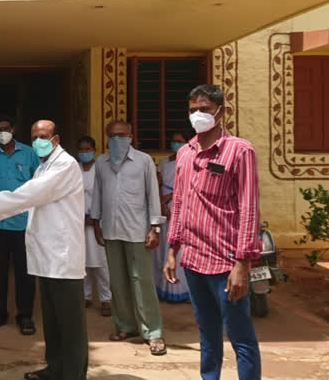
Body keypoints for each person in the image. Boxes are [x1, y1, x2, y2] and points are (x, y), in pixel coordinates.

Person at [0, 120, 88, 380]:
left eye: (44, 136)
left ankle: (73, 374)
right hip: (47, 255)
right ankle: (55, 368)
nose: (39, 140)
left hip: (62, 256)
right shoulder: (44, 167)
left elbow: (26, 195)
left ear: (56, 139)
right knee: (52, 321)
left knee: (69, 323)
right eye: (34, 136)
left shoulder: (64, 165)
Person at [164, 84, 262, 380]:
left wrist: (242, 263)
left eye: (205, 109)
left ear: (221, 112)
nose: (198, 115)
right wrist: (172, 249)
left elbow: (249, 208)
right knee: (207, 332)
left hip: (225, 261)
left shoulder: (239, 151)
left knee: (239, 334)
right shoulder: (185, 153)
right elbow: (179, 202)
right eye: (193, 109)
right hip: (194, 259)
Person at [92, 120, 166, 356]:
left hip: (137, 231)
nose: (117, 139)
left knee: (141, 282)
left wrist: (155, 227)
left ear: (131, 136)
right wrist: (96, 222)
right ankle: (125, 326)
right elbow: (97, 194)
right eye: (112, 135)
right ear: (106, 137)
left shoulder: (143, 161)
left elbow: (153, 195)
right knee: (118, 282)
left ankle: (152, 332)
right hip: (111, 230)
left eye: (122, 135)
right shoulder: (101, 163)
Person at [0, 115, 39, 335]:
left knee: (25, 273)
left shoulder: (30, 154)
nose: (3, 132)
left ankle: (25, 315)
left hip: (24, 224)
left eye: (6, 128)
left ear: (13, 128)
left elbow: (40, 187)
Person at [153, 131, 190, 303]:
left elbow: (189, 186)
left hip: (181, 205)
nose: (176, 144)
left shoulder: (191, 160)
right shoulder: (165, 162)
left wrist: (169, 198)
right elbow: (158, 183)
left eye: (179, 141)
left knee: (178, 250)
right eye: (173, 141)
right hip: (164, 208)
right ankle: (162, 287)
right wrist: (161, 203)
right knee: (162, 249)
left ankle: (180, 289)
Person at [77, 136, 112, 317]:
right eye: (81, 150)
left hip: (97, 223)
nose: (84, 153)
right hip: (79, 223)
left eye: (87, 149)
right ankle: (86, 295)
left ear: (94, 150)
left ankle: (106, 299)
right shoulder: (74, 169)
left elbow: (106, 195)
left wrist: (95, 218)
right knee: (82, 262)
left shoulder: (101, 169)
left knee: (101, 264)